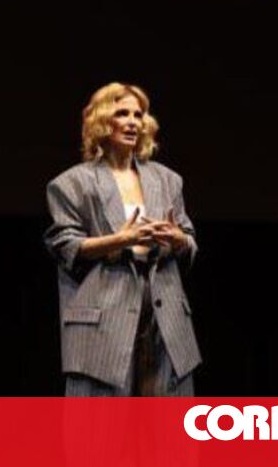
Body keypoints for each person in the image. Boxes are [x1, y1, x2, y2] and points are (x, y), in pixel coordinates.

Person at [44, 82, 201, 396]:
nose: (132, 122)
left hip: (164, 314)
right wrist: (120, 240)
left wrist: (178, 239)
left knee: (165, 420)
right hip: (104, 315)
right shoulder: (72, 183)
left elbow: (189, 240)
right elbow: (65, 246)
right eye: (122, 114)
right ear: (103, 121)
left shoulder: (167, 180)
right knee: (101, 421)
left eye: (138, 115)